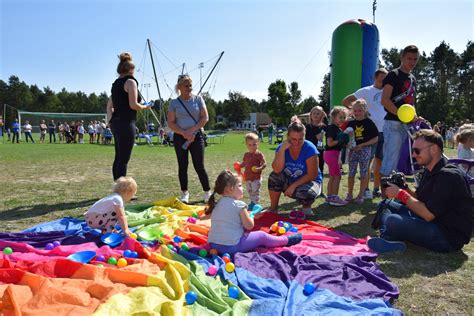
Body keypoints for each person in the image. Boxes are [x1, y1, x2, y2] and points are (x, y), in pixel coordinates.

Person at [369, 130, 472, 253]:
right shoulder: (429, 169)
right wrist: (405, 187)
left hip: (447, 236)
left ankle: (389, 235)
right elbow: (419, 198)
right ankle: (390, 237)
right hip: (432, 221)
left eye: (417, 150)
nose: (413, 155)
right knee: (385, 204)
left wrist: (400, 194)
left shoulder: (448, 176)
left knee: (392, 220)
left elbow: (428, 214)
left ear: (433, 149)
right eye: (413, 151)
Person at [207, 171, 302, 255]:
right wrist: (251, 215)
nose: (242, 188)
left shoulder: (217, 204)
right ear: (229, 189)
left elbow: (231, 221)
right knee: (261, 236)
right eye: (240, 186)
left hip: (214, 246)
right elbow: (249, 226)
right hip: (232, 247)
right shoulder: (239, 205)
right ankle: (286, 240)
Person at [343, 68, 388, 198]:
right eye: (382, 78)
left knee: (379, 162)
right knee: (367, 162)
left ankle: (376, 189)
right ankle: (366, 189)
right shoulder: (366, 91)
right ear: (375, 77)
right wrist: (356, 113)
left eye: (386, 79)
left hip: (385, 131)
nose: (384, 81)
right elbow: (346, 100)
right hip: (369, 133)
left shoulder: (388, 91)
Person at [167, 74, 211, 203]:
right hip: (180, 138)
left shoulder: (198, 99)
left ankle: (207, 192)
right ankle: (184, 193)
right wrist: (183, 133)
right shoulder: (174, 103)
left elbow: (205, 118)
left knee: (199, 166)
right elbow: (171, 122)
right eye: (186, 86)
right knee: (182, 165)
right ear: (179, 87)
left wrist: (192, 130)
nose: (189, 88)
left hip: (196, 137)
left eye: (190, 85)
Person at [107, 52, 150, 181]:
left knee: (118, 157)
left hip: (116, 122)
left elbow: (109, 105)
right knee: (124, 159)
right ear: (131, 70)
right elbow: (133, 105)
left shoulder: (115, 84)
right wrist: (145, 107)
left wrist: (110, 120)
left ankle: (117, 188)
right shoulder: (131, 82)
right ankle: (121, 191)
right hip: (126, 123)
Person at [268, 116, 322, 216]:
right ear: (287, 136)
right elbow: (276, 169)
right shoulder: (282, 147)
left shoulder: (310, 148)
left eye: (300, 139)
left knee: (306, 193)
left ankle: (306, 208)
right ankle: (273, 208)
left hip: (309, 182)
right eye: (293, 139)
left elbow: (312, 175)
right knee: (274, 176)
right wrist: (281, 151)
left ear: (304, 137)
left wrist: (293, 186)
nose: (296, 143)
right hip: (290, 180)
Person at [380, 45, 419, 179]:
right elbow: (385, 100)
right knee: (390, 163)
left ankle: (394, 197)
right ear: (402, 57)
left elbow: (411, 103)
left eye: (415, 59)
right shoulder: (393, 75)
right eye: (409, 58)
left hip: (407, 125)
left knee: (400, 164)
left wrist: (414, 117)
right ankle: (385, 198)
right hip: (393, 124)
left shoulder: (412, 78)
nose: (412, 62)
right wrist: (401, 115)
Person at [343, 100, 379, 204]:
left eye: (360, 110)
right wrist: (348, 145)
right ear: (352, 111)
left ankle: (360, 195)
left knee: (364, 173)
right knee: (351, 173)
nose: (357, 113)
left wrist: (362, 145)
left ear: (365, 110)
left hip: (365, 150)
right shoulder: (350, 123)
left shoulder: (369, 122)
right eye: (355, 110)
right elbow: (345, 137)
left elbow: (376, 138)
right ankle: (349, 194)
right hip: (353, 151)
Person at [323, 106, 349, 206]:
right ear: (333, 117)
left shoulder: (337, 128)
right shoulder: (332, 128)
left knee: (333, 176)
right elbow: (330, 143)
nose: (342, 119)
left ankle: (329, 197)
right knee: (337, 176)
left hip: (333, 154)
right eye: (340, 117)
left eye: (344, 117)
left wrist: (344, 141)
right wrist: (340, 140)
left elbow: (339, 143)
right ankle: (334, 197)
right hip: (331, 153)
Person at [238, 133, 266, 207]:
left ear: (258, 144)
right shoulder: (246, 154)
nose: (252, 147)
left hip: (256, 178)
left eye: (254, 144)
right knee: (249, 191)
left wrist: (259, 168)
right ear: (246, 145)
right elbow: (245, 162)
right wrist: (239, 166)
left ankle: (255, 204)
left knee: (255, 191)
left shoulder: (259, 154)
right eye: (249, 145)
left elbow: (264, 164)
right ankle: (252, 202)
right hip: (248, 177)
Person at [305, 106, 327, 196]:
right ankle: (307, 189)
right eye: (314, 113)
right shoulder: (306, 127)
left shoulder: (324, 127)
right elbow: (304, 139)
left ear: (322, 115)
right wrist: (315, 136)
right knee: (308, 171)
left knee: (320, 170)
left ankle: (321, 190)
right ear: (310, 115)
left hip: (320, 152)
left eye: (318, 113)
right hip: (308, 152)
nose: (316, 115)